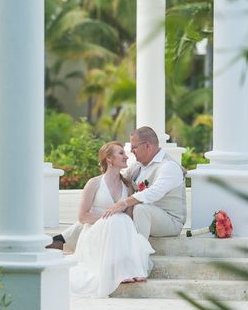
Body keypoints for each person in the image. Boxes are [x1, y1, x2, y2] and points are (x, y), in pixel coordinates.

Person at [47, 126, 186, 249]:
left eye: (134, 147)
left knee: (139, 208)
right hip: (141, 215)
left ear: (147, 146)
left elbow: (154, 193)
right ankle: (62, 240)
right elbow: (119, 180)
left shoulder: (169, 166)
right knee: (107, 209)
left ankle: (136, 254)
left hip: (169, 221)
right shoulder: (138, 166)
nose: (131, 151)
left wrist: (123, 203)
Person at [68, 141, 155, 298]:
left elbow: (128, 217)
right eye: (121, 153)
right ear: (109, 159)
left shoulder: (128, 186)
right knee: (116, 219)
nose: (126, 156)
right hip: (95, 234)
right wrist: (107, 219)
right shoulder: (94, 183)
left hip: (119, 232)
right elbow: (82, 216)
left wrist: (115, 219)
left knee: (121, 220)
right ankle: (125, 270)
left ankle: (126, 269)